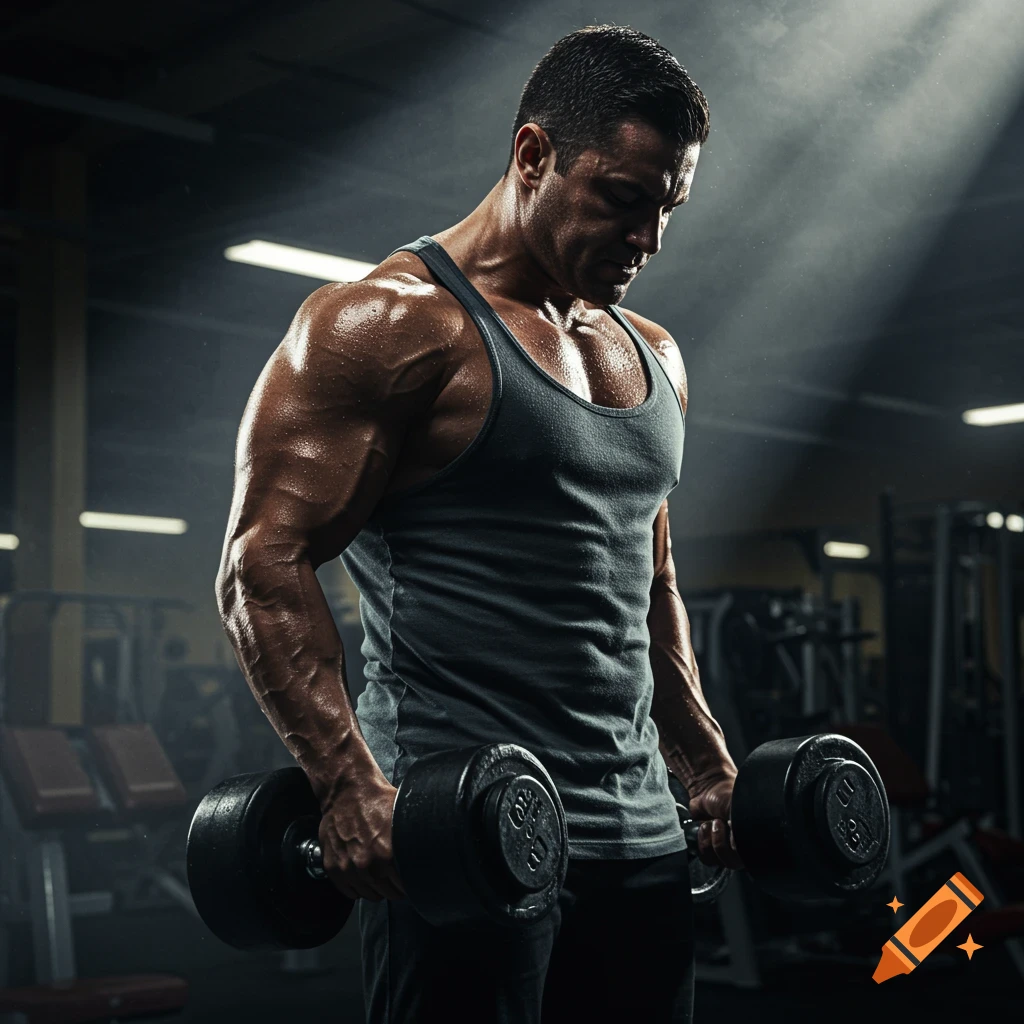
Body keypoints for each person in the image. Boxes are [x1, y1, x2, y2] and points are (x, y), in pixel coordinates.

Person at [216, 23, 741, 1024]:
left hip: (641, 838)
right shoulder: (384, 324)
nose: (647, 240)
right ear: (533, 155)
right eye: (621, 200)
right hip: (465, 834)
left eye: (666, 209)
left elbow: (650, 586)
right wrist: (346, 784)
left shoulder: (656, 355)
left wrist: (705, 759)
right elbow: (263, 563)